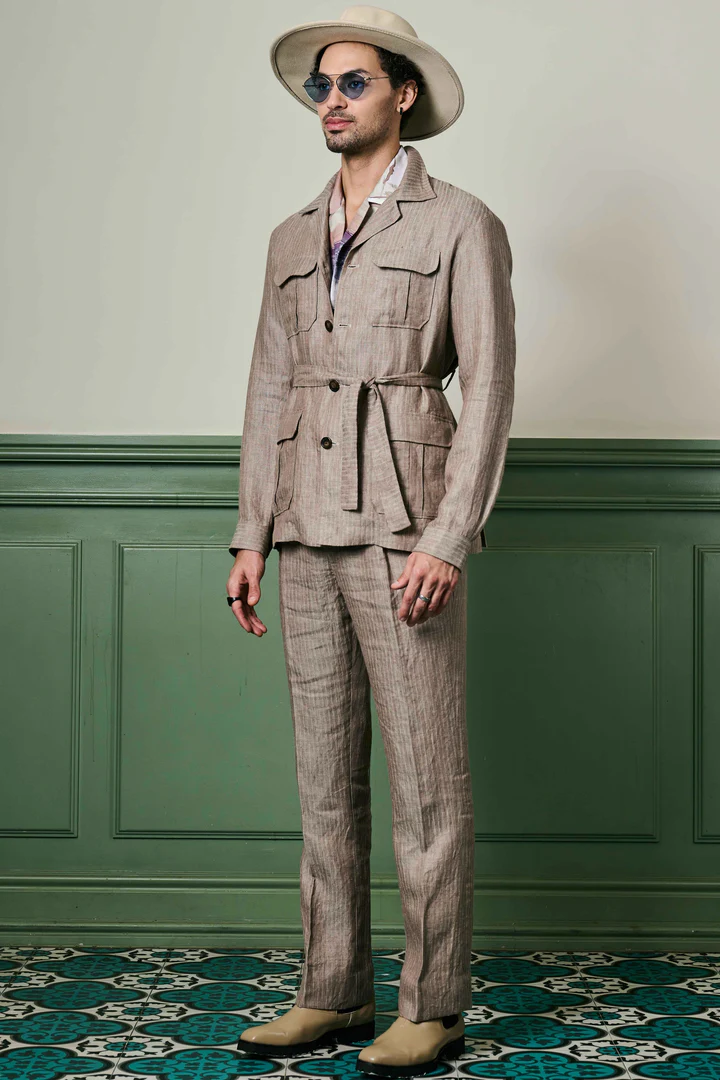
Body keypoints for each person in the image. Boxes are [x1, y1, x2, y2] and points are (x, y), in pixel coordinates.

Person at [226, 5, 516, 1075]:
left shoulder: (461, 224)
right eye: (321, 86)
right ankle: (332, 989)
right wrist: (251, 533)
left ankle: (433, 1003)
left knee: (428, 783)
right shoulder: (289, 238)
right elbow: (268, 388)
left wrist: (449, 535)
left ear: (403, 92)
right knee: (324, 782)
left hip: (405, 528)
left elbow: (489, 389)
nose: (333, 100)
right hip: (303, 526)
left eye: (353, 82)